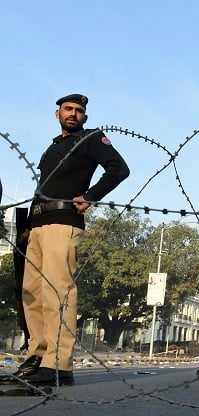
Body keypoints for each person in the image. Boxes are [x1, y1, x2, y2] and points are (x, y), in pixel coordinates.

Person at [13, 94, 129, 387]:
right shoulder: (53, 147)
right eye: (68, 109)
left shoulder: (89, 139)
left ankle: (58, 362)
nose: (73, 114)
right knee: (32, 293)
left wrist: (90, 196)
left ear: (85, 117)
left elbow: (119, 169)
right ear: (58, 113)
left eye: (79, 110)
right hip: (37, 224)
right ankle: (37, 357)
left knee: (57, 291)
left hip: (64, 222)